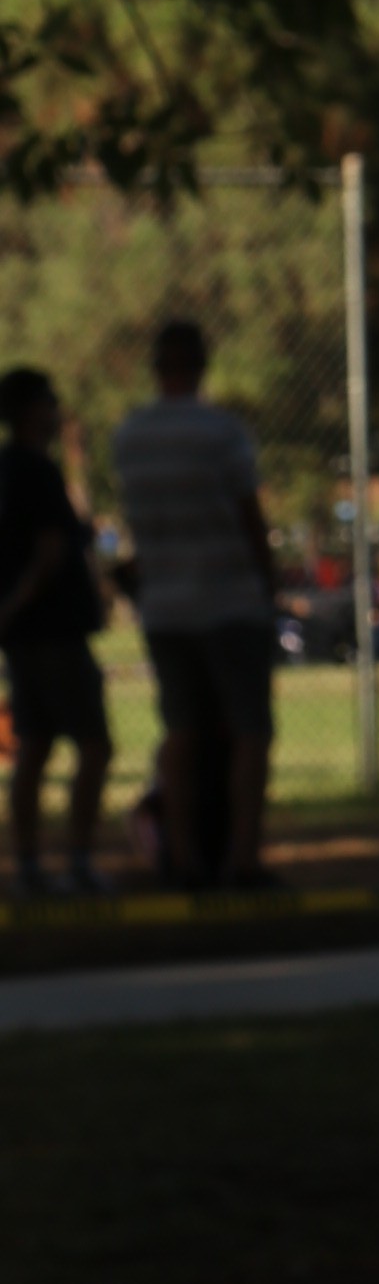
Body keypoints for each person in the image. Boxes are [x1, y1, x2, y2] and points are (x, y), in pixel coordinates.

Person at [111, 316, 278, 888]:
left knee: (181, 730)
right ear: (203, 365)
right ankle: (241, 859)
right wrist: (268, 584)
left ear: (156, 368)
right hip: (229, 598)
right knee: (249, 729)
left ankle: (181, 858)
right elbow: (249, 517)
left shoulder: (130, 436)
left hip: (165, 605)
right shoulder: (222, 432)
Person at [0, 366, 114, 900]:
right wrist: (16, 605)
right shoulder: (38, 472)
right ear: (29, 410)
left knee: (35, 746)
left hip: (25, 635)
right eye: (48, 401)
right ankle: (79, 861)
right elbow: (49, 552)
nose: (55, 410)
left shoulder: (7, 469)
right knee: (94, 745)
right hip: (54, 632)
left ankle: (28, 865)